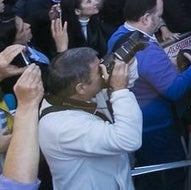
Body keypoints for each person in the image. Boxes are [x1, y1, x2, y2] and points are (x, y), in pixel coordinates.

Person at [107, 0, 191, 188]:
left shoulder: (119, 35)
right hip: (156, 127)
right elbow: (174, 90)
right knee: (167, 176)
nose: (161, 21)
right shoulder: (146, 49)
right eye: (158, 16)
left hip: (138, 120)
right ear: (145, 18)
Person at [38, 49, 141, 189]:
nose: (104, 70)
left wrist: (127, 63)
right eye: (99, 71)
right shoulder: (62, 126)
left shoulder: (76, 95)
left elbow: (124, 87)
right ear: (81, 88)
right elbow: (128, 140)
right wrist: (120, 90)